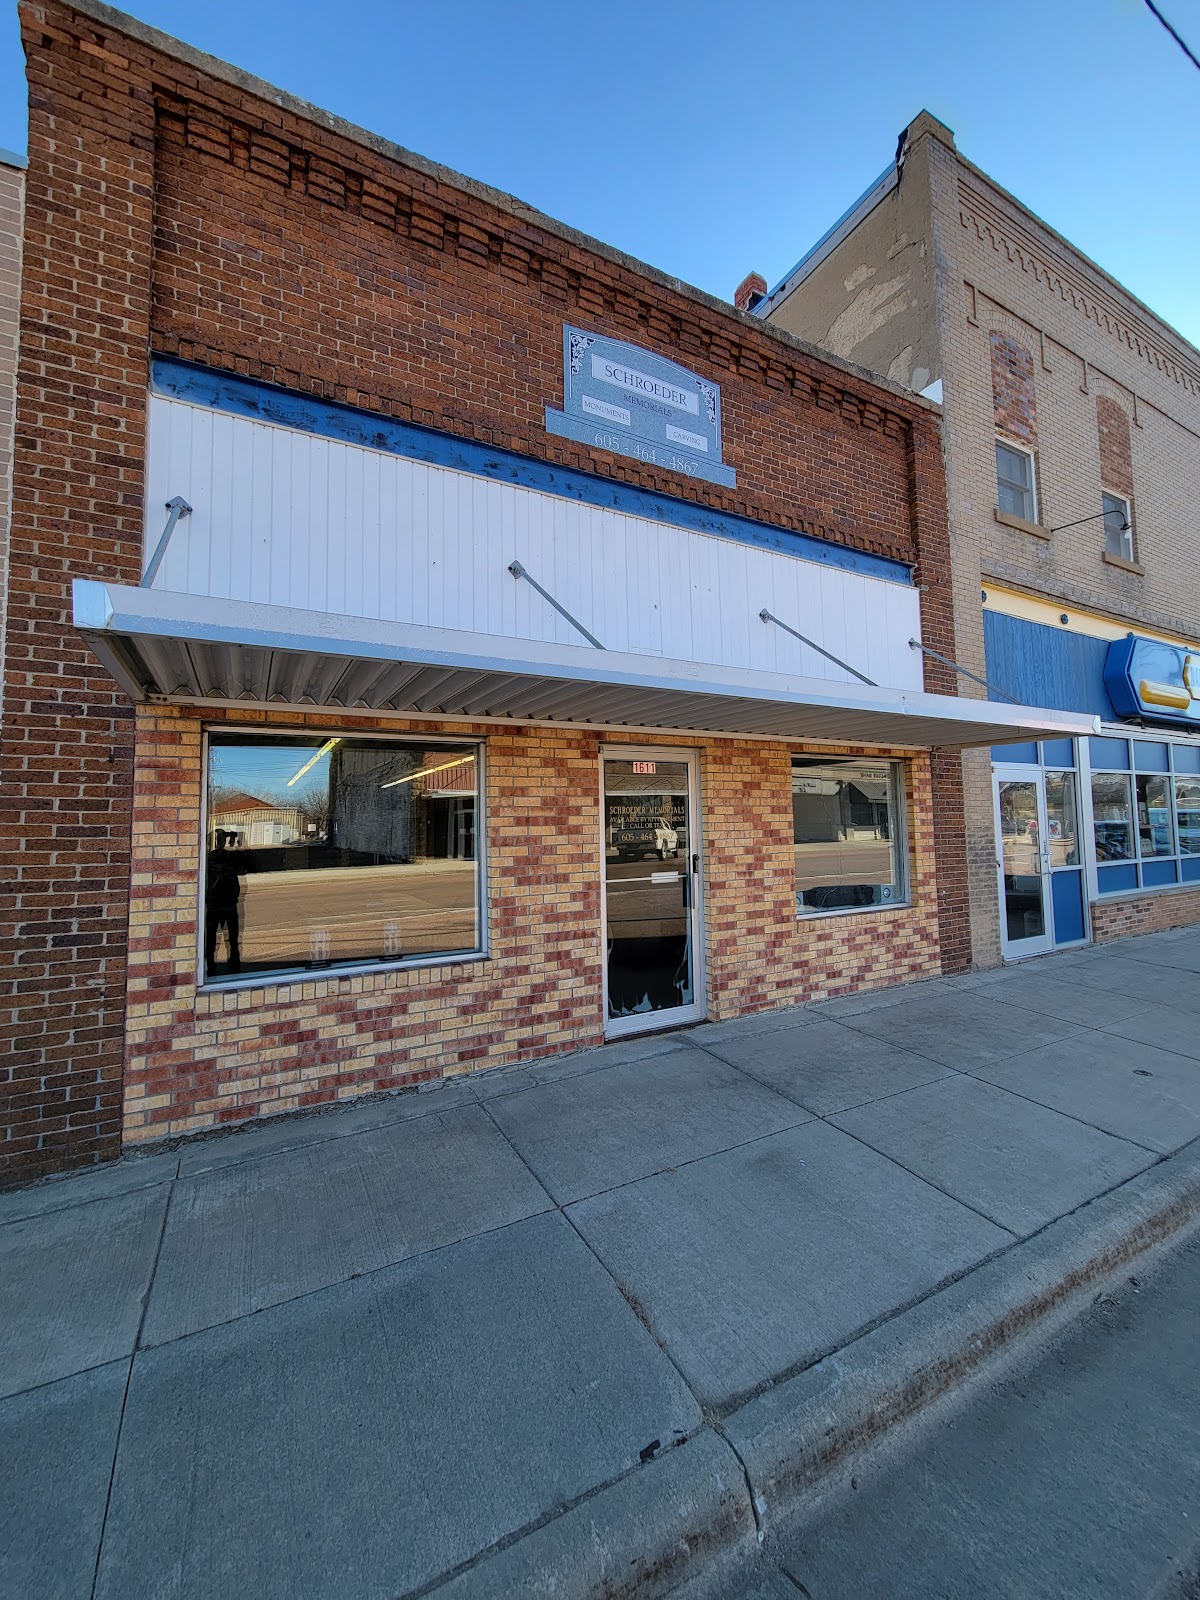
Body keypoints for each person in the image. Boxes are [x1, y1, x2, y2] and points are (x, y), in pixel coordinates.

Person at [205, 828, 244, 973]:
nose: (222, 841)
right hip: (218, 905)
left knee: (231, 939)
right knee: (213, 940)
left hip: (225, 904)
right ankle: (211, 966)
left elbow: (240, 871)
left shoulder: (225, 857)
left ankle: (232, 964)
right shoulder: (215, 858)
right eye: (221, 839)